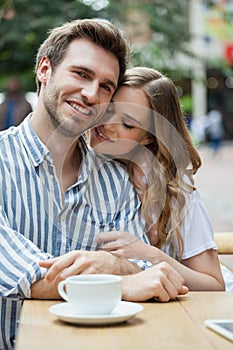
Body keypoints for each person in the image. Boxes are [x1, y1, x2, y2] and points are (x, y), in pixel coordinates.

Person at [0, 20, 188, 350]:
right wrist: (118, 281)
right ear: (45, 69)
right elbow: (16, 269)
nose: (91, 94)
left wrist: (116, 265)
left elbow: (147, 270)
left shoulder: (115, 178)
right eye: (82, 74)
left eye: (105, 86)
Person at [89, 66, 225, 291]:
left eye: (128, 123)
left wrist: (149, 254)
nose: (108, 125)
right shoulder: (85, 169)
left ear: (148, 138)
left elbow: (214, 284)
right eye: (109, 109)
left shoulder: (176, 195)